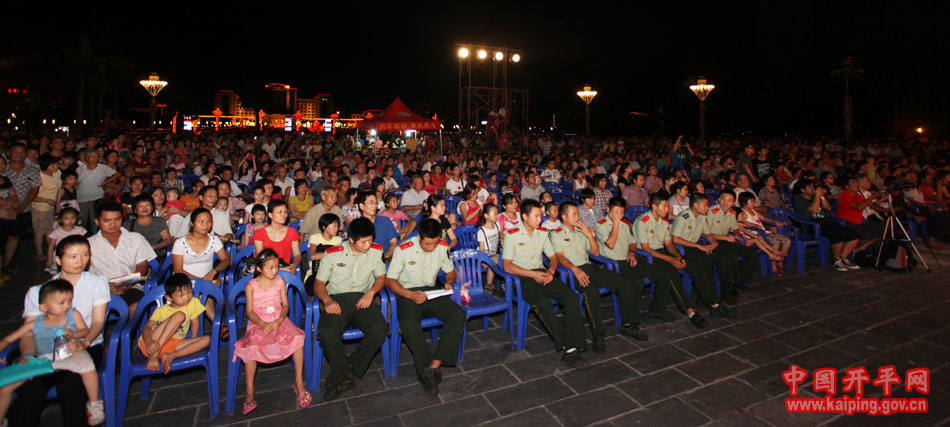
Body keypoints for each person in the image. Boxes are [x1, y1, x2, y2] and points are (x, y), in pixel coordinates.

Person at [11, 235, 111, 426]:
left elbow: (98, 322)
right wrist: (28, 356)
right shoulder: (39, 292)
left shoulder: (96, 283)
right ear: (58, 259)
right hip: (45, 350)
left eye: (84, 255)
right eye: (72, 256)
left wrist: (84, 343)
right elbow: (29, 332)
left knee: (71, 383)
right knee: (30, 386)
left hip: (85, 344)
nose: (80, 261)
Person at [0, 280, 105, 425]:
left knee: (88, 367)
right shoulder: (35, 324)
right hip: (46, 359)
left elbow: (85, 331)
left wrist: (74, 334)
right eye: (61, 303)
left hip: (70, 353)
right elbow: (9, 339)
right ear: (44, 307)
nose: (67, 305)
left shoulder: (73, 315)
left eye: (69, 300)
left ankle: (94, 404)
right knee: (8, 386)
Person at [502, 199, 590, 369]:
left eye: (540, 216)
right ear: (525, 217)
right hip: (521, 278)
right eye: (536, 216)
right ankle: (568, 347)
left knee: (571, 297)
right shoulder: (512, 235)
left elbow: (553, 257)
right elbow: (507, 266)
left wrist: (550, 271)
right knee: (543, 303)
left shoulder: (542, 233)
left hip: (542, 273)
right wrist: (533, 274)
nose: (540, 219)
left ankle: (573, 342)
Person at [555, 200, 649, 354]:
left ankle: (628, 325)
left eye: (577, 214)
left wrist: (589, 235)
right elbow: (559, 257)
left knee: (625, 284)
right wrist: (575, 269)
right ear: (564, 217)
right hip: (572, 271)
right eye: (574, 214)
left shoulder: (581, 231)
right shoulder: (557, 234)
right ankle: (598, 334)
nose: (577, 217)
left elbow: (596, 253)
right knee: (591, 293)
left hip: (588, 267)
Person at [385, 219, 465, 396]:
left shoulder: (441, 247)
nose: (432, 247)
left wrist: (449, 282)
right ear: (419, 237)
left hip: (432, 291)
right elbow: (390, 281)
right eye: (428, 244)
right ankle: (427, 371)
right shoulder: (403, 250)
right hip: (407, 292)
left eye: (435, 243)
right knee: (408, 324)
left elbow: (450, 272)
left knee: (458, 315)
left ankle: (433, 366)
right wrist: (409, 295)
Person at [312, 217, 388, 401]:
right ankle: (345, 374)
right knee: (327, 334)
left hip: (362, 298)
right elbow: (319, 283)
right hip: (337, 299)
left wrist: (371, 293)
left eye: (370, 240)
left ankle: (347, 370)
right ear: (351, 240)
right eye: (364, 242)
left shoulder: (375, 251)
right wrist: (327, 300)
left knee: (380, 330)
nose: (368, 245)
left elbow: (380, 277)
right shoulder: (332, 254)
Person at [233, 249, 310, 415]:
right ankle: (250, 392)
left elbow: (285, 305)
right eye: (270, 268)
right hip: (258, 322)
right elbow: (250, 311)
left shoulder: (280, 281)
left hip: (278, 318)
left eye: (276, 267)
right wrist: (262, 323)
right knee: (252, 347)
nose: (275, 271)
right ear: (259, 269)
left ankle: (299, 382)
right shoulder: (251, 286)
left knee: (297, 338)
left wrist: (280, 320)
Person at [633, 194, 709, 328]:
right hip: (647, 256)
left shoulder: (663, 221)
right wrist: (671, 260)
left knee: (692, 265)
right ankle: (690, 311)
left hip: (661, 252)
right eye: (664, 206)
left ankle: (710, 300)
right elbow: (646, 248)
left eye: (667, 207)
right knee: (671, 272)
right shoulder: (642, 222)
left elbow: (668, 244)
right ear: (654, 207)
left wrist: (678, 256)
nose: (667, 210)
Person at [670, 193, 736, 317]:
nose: (707, 208)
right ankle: (714, 304)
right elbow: (676, 240)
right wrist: (698, 246)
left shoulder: (701, 216)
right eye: (705, 205)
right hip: (682, 250)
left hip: (694, 247)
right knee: (699, 267)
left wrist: (714, 242)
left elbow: (707, 233)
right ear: (696, 205)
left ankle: (718, 294)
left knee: (717, 257)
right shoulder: (683, 217)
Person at [137, 274, 211, 374]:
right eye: (181, 296)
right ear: (169, 298)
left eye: (189, 292)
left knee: (207, 339)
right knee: (179, 315)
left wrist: (192, 340)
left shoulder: (192, 302)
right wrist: (149, 342)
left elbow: (195, 322)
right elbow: (147, 327)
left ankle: (171, 356)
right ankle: (155, 355)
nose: (187, 297)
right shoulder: (161, 310)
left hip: (171, 345)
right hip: (151, 343)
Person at [88, 201, 156, 309]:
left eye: (117, 219)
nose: (113, 224)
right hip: (99, 290)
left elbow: (142, 266)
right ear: (97, 222)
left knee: (136, 307)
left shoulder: (135, 238)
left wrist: (128, 285)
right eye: (107, 220)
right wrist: (105, 287)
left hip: (130, 287)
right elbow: (83, 273)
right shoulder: (88, 244)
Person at [793, 180, 861, 271]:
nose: (813, 189)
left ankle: (843, 258)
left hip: (825, 222)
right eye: (810, 187)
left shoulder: (814, 197)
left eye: (813, 187)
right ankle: (836, 260)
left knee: (854, 235)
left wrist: (821, 196)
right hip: (812, 225)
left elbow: (827, 207)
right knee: (838, 234)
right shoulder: (799, 199)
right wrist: (817, 196)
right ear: (802, 190)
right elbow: (814, 209)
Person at [706, 191, 759, 297]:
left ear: (733, 203)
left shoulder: (731, 212)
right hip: (712, 241)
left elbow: (735, 227)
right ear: (719, 199)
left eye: (729, 200)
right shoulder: (712, 212)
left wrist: (737, 234)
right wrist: (726, 238)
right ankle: (728, 288)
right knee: (731, 255)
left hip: (726, 241)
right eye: (723, 199)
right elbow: (706, 233)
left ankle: (742, 281)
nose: (725, 203)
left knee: (752, 253)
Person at [3, 143, 42, 271]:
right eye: (15, 152)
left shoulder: (32, 170)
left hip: (24, 208)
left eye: (22, 152)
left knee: (15, 236)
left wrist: (23, 206)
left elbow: (35, 189)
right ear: (8, 153)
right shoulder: (2, 168)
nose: (18, 155)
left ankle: (7, 263)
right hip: (3, 209)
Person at [736, 192, 791, 275]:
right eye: (751, 201)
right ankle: (773, 267)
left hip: (765, 233)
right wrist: (755, 226)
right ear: (744, 202)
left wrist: (775, 221)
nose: (753, 203)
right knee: (775, 242)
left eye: (753, 201)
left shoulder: (753, 211)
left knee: (787, 240)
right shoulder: (742, 213)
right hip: (757, 234)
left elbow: (764, 218)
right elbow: (743, 224)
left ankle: (780, 262)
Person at [171, 208, 231, 283]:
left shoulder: (214, 239)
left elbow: (226, 260)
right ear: (192, 223)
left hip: (208, 280)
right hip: (185, 281)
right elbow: (178, 270)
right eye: (201, 221)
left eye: (209, 221)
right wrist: (200, 281)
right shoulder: (180, 243)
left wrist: (214, 271)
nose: (205, 225)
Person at [75, 148, 118, 233]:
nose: (94, 158)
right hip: (82, 197)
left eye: (96, 156)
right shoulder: (80, 169)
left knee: (95, 219)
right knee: (82, 220)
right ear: (86, 158)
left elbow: (116, 174)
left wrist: (105, 182)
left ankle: (95, 235)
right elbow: (76, 182)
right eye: (92, 156)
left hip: (96, 197)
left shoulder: (103, 168)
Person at [252, 200, 302, 273]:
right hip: (265, 271)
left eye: (285, 212)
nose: (284, 215)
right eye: (280, 212)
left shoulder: (292, 232)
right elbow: (261, 260)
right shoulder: (259, 234)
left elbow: (297, 255)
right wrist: (281, 269)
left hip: (285, 268)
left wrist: (294, 264)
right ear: (270, 215)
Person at [32, 153, 61, 261]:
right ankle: (39, 252)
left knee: (49, 228)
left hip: (51, 208)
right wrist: (46, 200)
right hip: (40, 208)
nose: (55, 167)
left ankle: (51, 250)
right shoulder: (39, 177)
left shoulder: (57, 173)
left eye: (56, 164)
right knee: (39, 231)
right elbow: (32, 196)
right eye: (52, 166)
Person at [304, 213, 343, 289]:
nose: (336, 229)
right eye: (334, 226)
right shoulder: (315, 238)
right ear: (324, 227)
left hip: (332, 272)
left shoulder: (338, 240)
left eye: (337, 226)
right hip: (316, 272)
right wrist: (333, 252)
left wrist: (322, 254)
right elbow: (313, 256)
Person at [356, 191, 398, 258]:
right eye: (371, 203)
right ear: (361, 206)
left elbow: (394, 242)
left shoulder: (385, 221)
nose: (375, 206)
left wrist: (388, 254)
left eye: (376, 203)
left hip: (384, 257)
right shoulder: (355, 225)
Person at [45, 207, 86, 274]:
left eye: (73, 218)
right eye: (67, 219)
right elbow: (51, 247)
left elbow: (84, 244)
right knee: (56, 273)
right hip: (60, 256)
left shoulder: (80, 230)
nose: (70, 221)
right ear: (60, 220)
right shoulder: (56, 232)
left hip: (75, 255)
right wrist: (49, 259)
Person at [477, 203, 500, 288]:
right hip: (485, 255)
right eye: (494, 214)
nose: (497, 216)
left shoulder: (497, 225)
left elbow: (499, 241)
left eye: (497, 213)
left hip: (495, 253)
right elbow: (481, 249)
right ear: (486, 216)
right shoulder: (482, 231)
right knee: (491, 264)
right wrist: (483, 261)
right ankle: (489, 285)